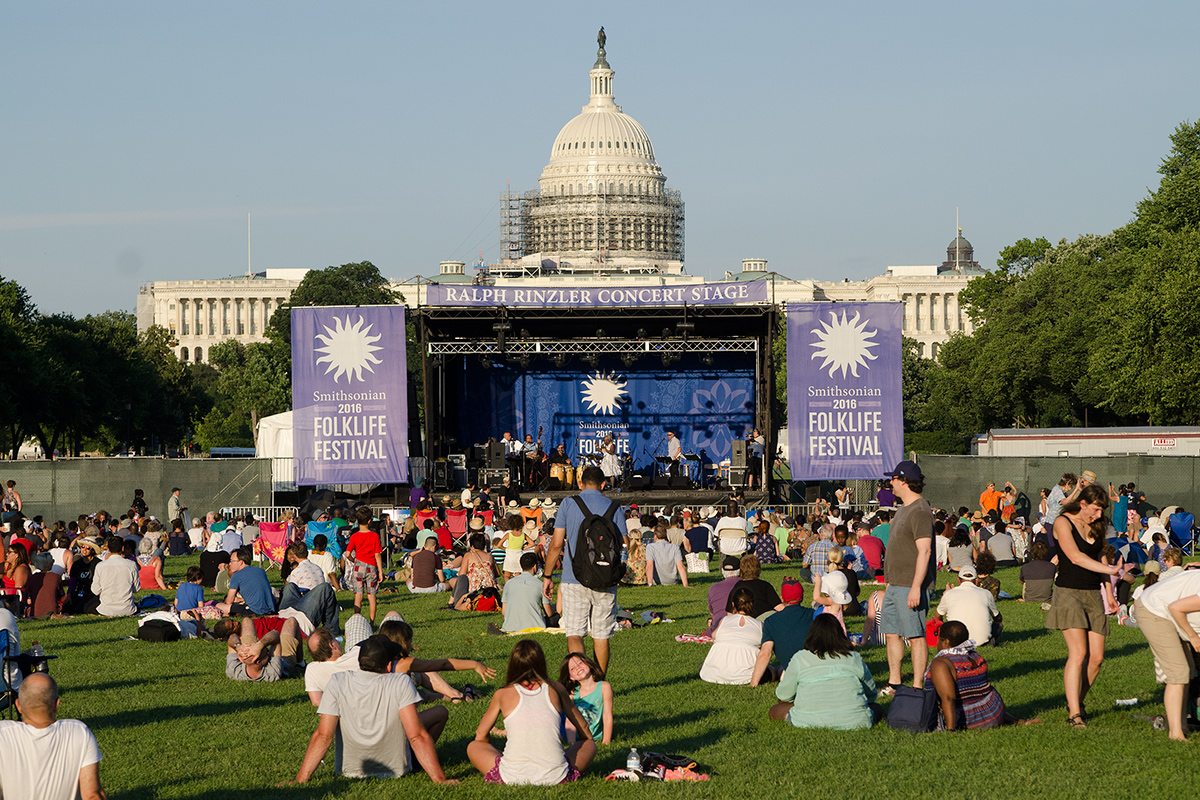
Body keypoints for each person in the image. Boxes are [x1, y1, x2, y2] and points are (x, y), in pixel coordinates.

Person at [289, 635, 456, 784]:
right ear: (389, 665)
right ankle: (418, 763)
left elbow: (323, 736)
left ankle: (417, 761)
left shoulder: (337, 681)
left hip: (350, 771)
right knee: (441, 711)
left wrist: (300, 780)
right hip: (396, 769)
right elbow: (417, 736)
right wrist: (440, 779)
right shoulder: (400, 682)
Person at [468, 639, 594, 785]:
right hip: (556, 777)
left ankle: (510, 765)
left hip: (511, 776)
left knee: (474, 746)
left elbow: (480, 735)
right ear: (541, 663)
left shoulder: (502, 694)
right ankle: (559, 768)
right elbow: (584, 729)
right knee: (590, 744)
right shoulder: (557, 688)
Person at [1045, 483, 1120, 728]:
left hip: (1093, 594)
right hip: (1069, 593)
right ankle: (1075, 715)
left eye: (1101, 511)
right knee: (1078, 654)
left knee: (1096, 658)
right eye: (1096, 510)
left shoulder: (1096, 525)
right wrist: (1111, 570)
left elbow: (1100, 555)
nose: (1099, 515)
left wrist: (1109, 591)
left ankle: (1076, 700)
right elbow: (1076, 557)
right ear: (1083, 503)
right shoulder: (1062, 523)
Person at [542, 466, 627, 675]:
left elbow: (555, 545)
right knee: (601, 634)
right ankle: (599, 682)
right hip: (606, 579)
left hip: (574, 577)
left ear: (580, 483)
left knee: (574, 634)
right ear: (604, 484)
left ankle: (582, 680)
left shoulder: (569, 504)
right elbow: (625, 545)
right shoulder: (615, 508)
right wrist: (619, 571)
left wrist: (547, 576)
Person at [0, 674, 106, 800]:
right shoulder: (79, 732)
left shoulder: (3, 734)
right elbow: (92, 795)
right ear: (57, 704)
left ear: (18, 705)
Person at [880, 460, 936, 693]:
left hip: (911, 586)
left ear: (903, 481)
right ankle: (895, 682)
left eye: (893, 479)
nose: (890, 483)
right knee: (892, 634)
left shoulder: (921, 511)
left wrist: (916, 587)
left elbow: (925, 551)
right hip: (895, 584)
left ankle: (916, 686)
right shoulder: (903, 509)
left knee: (915, 635)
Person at [769, 614, 879, 729]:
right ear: (840, 634)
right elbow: (871, 694)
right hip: (857, 720)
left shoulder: (800, 658)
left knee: (775, 710)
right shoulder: (853, 657)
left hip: (806, 720)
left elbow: (783, 696)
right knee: (877, 708)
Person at [925, 621, 1037, 730]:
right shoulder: (975, 656)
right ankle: (1018, 721)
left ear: (946, 642)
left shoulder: (941, 663)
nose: (937, 642)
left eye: (939, 638)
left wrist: (950, 730)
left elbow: (949, 698)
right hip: (993, 711)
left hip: (966, 719)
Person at [1133, 569, 1200, 740]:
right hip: (1154, 610)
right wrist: (1193, 637)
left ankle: (1183, 726)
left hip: (1169, 613)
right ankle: (1175, 733)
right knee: (1178, 672)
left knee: (1188, 670)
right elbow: (1175, 607)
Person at [751, 578, 814, 687]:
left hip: (791, 670)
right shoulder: (813, 615)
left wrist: (753, 683)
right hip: (814, 667)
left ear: (782, 598)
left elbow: (765, 653)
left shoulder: (771, 621)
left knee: (781, 669)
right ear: (802, 597)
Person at [701, 587, 763, 685]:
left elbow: (714, 636)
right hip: (746, 676)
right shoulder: (760, 625)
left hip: (714, 674)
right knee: (771, 670)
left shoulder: (723, 621)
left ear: (733, 604)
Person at [936, 565, 1001, 646]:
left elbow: (936, 617)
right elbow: (998, 617)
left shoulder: (949, 593)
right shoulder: (986, 593)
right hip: (982, 641)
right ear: (976, 581)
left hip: (956, 640)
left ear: (958, 580)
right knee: (998, 625)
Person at [560, 652, 613, 745]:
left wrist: (606, 743)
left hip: (595, 737)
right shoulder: (573, 694)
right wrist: (572, 744)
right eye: (572, 668)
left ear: (588, 663)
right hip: (574, 736)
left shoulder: (604, 687)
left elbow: (607, 716)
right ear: (571, 677)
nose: (577, 667)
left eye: (580, 663)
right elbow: (570, 721)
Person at [343, 507, 384, 623]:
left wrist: (354, 560)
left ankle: (356, 620)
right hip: (371, 567)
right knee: (371, 596)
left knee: (358, 595)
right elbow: (377, 555)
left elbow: (347, 554)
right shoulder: (374, 536)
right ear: (370, 521)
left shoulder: (354, 536)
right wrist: (380, 571)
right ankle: (371, 622)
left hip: (358, 566)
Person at [217, 546, 275, 616]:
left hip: (254, 611)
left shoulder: (236, 576)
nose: (230, 564)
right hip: (270, 609)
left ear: (241, 562)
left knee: (219, 606)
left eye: (232, 561)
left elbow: (229, 602)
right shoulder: (260, 570)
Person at [502, 553, 549, 632]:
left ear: (521, 566)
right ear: (535, 566)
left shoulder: (509, 583)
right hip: (536, 625)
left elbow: (504, 611)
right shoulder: (540, 584)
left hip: (510, 626)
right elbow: (548, 612)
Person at [92, 536, 138, 617]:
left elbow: (95, 590)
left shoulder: (100, 566)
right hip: (127, 609)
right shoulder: (131, 565)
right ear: (122, 548)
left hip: (106, 609)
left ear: (108, 549)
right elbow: (136, 589)